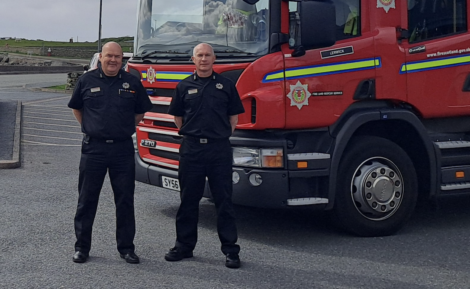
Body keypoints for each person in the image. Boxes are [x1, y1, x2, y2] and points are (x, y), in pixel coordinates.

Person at [68, 42, 152, 264]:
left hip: (122, 149)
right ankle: (82, 248)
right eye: (109, 56)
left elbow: (140, 112)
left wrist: (122, 128)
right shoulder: (86, 80)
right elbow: (77, 108)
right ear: (101, 57)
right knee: (87, 200)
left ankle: (126, 248)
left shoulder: (132, 82)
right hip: (93, 148)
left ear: (122, 59)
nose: (113, 60)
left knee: (125, 200)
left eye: (117, 56)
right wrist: (89, 127)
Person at [166, 43, 245, 269]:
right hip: (191, 150)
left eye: (207, 55)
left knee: (224, 201)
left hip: (218, 150)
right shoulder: (183, 87)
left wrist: (217, 137)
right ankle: (184, 246)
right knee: (188, 200)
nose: (203, 59)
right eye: (199, 55)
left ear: (214, 59)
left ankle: (230, 250)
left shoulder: (226, 86)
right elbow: (178, 118)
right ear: (193, 60)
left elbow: (233, 119)